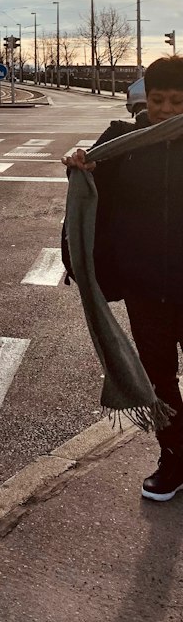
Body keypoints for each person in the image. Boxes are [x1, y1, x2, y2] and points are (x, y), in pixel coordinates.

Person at [63, 56, 183, 501]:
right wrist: (77, 162)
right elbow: (90, 167)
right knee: (158, 379)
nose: (167, 110)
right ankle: (174, 456)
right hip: (144, 283)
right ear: (144, 98)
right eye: (158, 100)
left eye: (177, 100)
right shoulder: (123, 138)